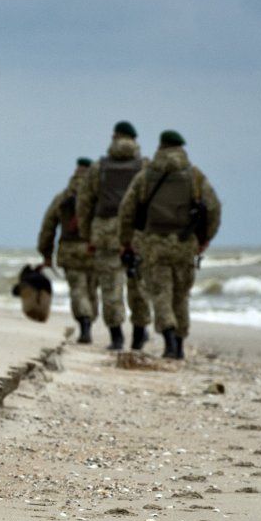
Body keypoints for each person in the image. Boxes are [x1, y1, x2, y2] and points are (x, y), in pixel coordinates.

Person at [117, 130, 221, 360]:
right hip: (185, 245)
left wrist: (125, 241)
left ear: (161, 146)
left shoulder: (146, 176)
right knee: (181, 296)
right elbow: (213, 208)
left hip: (154, 244)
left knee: (160, 294)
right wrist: (205, 239)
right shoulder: (195, 177)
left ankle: (169, 341)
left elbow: (127, 210)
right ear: (181, 148)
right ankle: (180, 345)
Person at [76, 120, 151, 350]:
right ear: (134, 140)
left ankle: (116, 338)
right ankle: (139, 335)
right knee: (140, 286)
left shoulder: (99, 168)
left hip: (106, 235)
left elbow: (84, 204)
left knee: (110, 289)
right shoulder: (146, 167)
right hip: (139, 235)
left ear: (114, 138)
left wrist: (88, 235)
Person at [37, 158, 97, 342]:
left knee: (78, 289)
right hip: (94, 249)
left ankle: (84, 323)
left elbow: (48, 226)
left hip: (70, 251)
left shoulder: (62, 197)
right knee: (92, 289)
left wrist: (46, 253)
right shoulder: (98, 196)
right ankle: (90, 320)